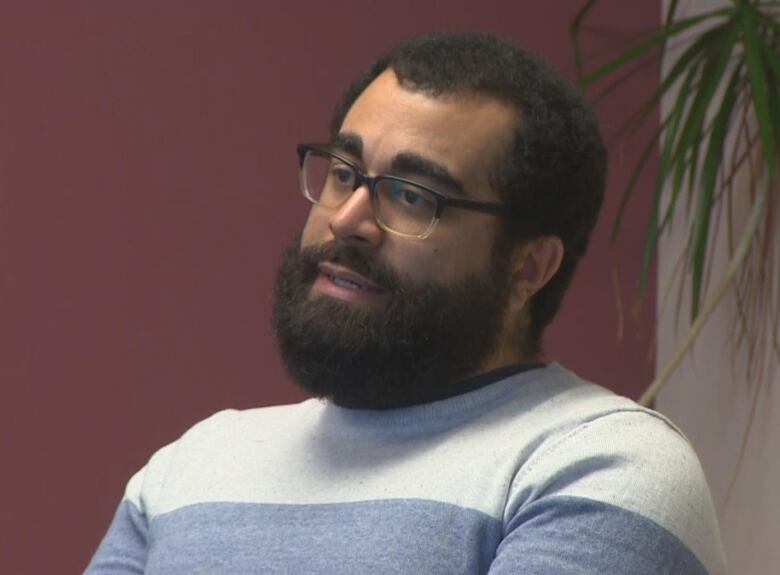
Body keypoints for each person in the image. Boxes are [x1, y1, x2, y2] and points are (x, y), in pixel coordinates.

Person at [86, 32, 725, 574]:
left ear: (527, 266)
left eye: (413, 195)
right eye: (343, 173)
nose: (348, 220)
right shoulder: (190, 467)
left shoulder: (596, 467)